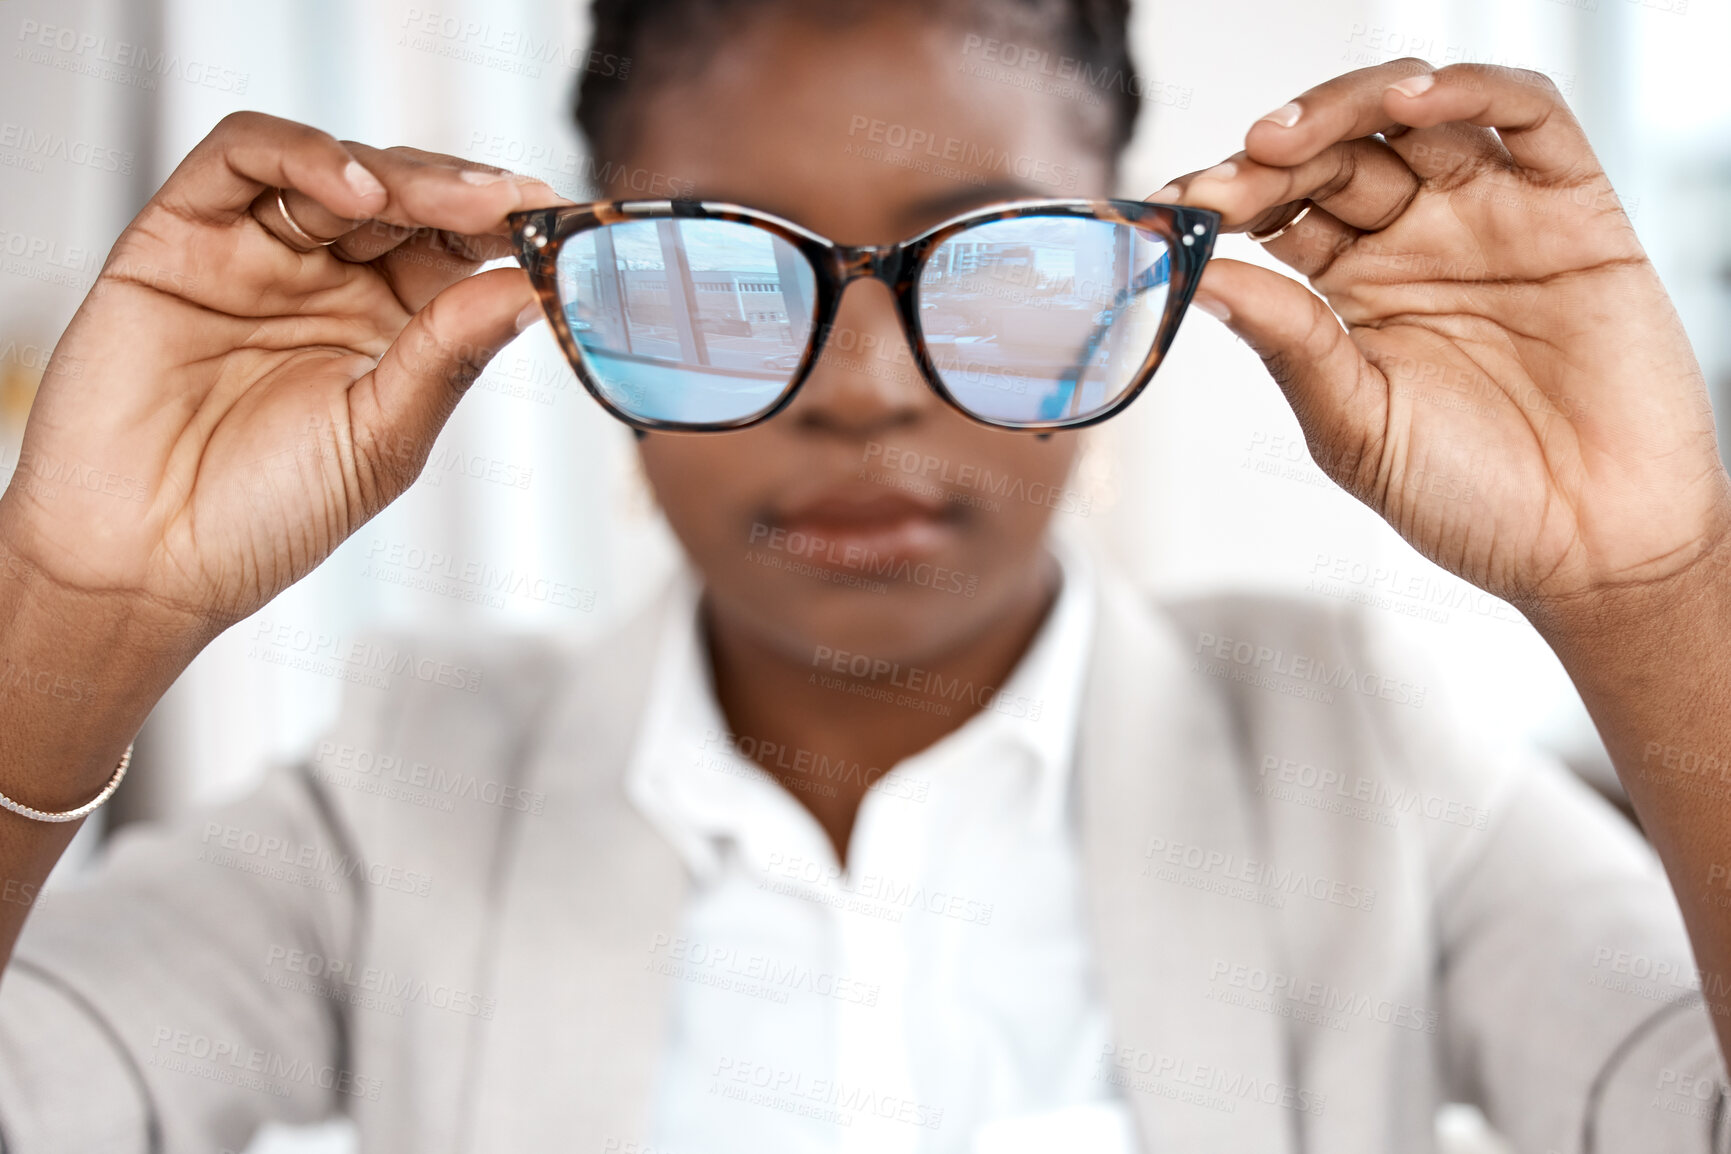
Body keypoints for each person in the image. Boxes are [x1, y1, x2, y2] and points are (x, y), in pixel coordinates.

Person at [0, 0, 1727, 1150]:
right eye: (713, 270)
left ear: (1127, 274)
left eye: (995, 257)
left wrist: (1654, 591)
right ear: (558, 292)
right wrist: (67, 613)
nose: (865, 385)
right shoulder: (404, 790)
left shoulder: (1361, 752)